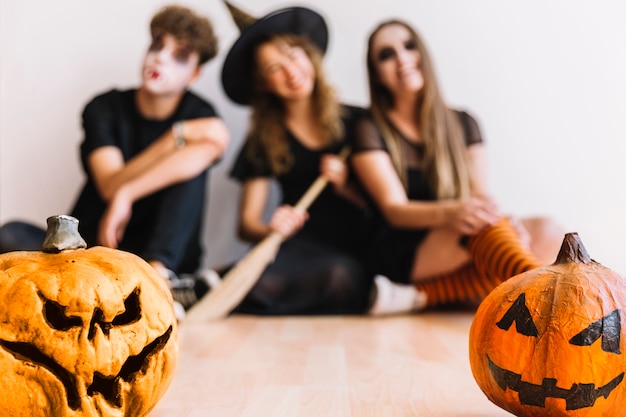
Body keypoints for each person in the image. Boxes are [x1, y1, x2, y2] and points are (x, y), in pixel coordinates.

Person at [0, 5, 229, 313]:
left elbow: (212, 147)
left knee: (191, 167)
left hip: (160, 254)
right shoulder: (105, 107)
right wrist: (173, 139)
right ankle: (125, 293)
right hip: (93, 250)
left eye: (180, 55)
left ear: (195, 74)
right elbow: (109, 184)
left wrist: (128, 192)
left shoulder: (199, 113)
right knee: (11, 235)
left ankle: (157, 279)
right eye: (157, 45)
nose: (161, 57)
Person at [351, 19, 564, 314]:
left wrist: (501, 220)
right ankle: (561, 299)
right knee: (482, 231)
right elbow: (394, 210)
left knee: (548, 231)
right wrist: (456, 213)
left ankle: (419, 296)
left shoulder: (464, 123)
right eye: (386, 55)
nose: (402, 58)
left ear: (422, 54)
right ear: (377, 74)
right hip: (407, 248)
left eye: (409, 46)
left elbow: (479, 196)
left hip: (465, 235)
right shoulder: (369, 128)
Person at [217, 2, 373, 315]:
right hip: (294, 251)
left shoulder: (360, 123)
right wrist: (272, 227)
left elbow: (386, 210)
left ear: (308, 54)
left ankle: (217, 287)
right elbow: (247, 225)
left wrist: (347, 188)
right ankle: (209, 287)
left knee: (340, 277)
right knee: (268, 277)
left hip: (353, 249)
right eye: (273, 68)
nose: (291, 71)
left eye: (292, 55)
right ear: (263, 84)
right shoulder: (263, 140)